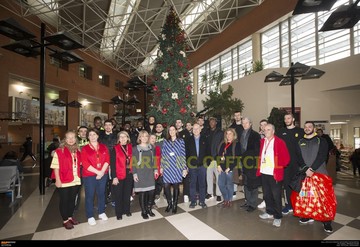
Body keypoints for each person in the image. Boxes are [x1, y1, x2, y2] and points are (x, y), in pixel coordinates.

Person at [297, 121, 333, 233]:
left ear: (314, 128)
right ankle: (308, 215)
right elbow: (297, 156)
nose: (307, 128)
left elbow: (322, 156)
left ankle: (326, 221)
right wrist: (305, 169)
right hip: (305, 175)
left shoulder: (321, 140)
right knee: (306, 196)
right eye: (305, 127)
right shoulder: (300, 141)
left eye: (310, 127)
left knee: (323, 198)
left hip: (319, 174)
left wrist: (312, 169)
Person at [257, 123, 290, 228]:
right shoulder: (262, 141)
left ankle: (278, 217)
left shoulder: (279, 142)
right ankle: (269, 212)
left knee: (276, 196)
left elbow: (286, 159)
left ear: (273, 131)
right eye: (265, 130)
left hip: (274, 173)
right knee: (266, 195)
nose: (266, 131)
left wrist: (277, 165)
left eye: (268, 129)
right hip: (264, 172)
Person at [50, 131, 81, 230]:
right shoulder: (59, 151)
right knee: (64, 200)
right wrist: (57, 180)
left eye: (73, 137)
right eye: (69, 138)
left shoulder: (78, 150)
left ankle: (70, 217)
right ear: (65, 139)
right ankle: (65, 220)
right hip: (64, 180)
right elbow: (55, 167)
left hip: (75, 179)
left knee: (72, 200)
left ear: (75, 139)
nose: (71, 140)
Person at [276, 112, 304, 215]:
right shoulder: (280, 132)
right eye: (285, 119)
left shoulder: (300, 132)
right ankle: (288, 205)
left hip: (298, 164)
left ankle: (298, 205)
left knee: (298, 186)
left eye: (288, 118)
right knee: (287, 185)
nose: (286, 120)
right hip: (285, 165)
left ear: (293, 119)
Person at [81, 128, 110, 226]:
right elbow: (85, 163)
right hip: (89, 175)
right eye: (90, 135)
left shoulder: (103, 147)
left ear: (98, 136)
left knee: (101, 194)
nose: (92, 136)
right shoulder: (85, 148)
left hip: (103, 174)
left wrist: (101, 172)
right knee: (90, 196)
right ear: (88, 137)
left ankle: (101, 212)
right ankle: (90, 216)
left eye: (94, 134)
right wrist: (98, 172)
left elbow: (107, 160)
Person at [161, 125, 187, 214]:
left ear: (176, 131)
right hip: (167, 166)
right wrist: (161, 167)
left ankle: (175, 204)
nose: (171, 131)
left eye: (173, 130)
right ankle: (169, 203)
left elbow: (182, 155)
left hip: (177, 166)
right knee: (166, 186)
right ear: (168, 132)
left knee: (176, 186)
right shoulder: (165, 142)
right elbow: (163, 155)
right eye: (170, 130)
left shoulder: (181, 141)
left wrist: (184, 168)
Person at [132, 130, 158, 219]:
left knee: (151, 192)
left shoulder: (151, 147)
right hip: (140, 172)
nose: (144, 138)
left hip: (150, 172)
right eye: (142, 136)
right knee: (142, 192)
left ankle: (149, 208)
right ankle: (143, 211)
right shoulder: (135, 148)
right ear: (139, 137)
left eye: (146, 136)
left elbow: (154, 160)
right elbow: (134, 162)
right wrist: (134, 174)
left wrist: (155, 170)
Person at [239, 117, 261, 212]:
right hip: (243, 162)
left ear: (250, 123)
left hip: (252, 162)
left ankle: (253, 204)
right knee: (246, 183)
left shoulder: (255, 135)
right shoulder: (241, 134)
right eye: (243, 123)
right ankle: (247, 201)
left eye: (246, 123)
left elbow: (257, 150)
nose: (244, 125)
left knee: (253, 184)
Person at [216, 128, 241, 208]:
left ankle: (229, 200)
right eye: (227, 133)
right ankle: (226, 199)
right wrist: (218, 165)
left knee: (229, 185)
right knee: (220, 184)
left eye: (230, 134)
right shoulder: (222, 143)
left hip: (230, 168)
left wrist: (229, 168)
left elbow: (237, 158)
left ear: (234, 135)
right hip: (222, 168)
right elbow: (218, 155)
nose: (228, 135)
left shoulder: (236, 144)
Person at [186, 123, 209, 209]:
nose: (195, 130)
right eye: (194, 129)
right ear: (192, 130)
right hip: (192, 166)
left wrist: (207, 163)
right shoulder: (189, 140)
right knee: (192, 184)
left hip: (202, 166)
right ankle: (193, 202)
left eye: (197, 128)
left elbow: (208, 152)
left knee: (202, 184)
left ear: (200, 129)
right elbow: (186, 153)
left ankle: (202, 201)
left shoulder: (205, 139)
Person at [112, 131, 133, 220]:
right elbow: (112, 164)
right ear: (118, 139)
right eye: (121, 137)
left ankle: (127, 210)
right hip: (119, 174)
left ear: (128, 138)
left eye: (125, 137)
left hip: (129, 173)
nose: (123, 138)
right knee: (118, 194)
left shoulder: (131, 147)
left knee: (127, 193)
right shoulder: (115, 148)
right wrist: (114, 177)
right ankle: (119, 213)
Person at [204, 117, 223, 202]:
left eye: (213, 121)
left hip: (217, 158)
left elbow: (222, 145)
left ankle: (219, 194)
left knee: (218, 177)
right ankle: (210, 193)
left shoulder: (220, 132)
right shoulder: (206, 132)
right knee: (209, 176)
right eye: (210, 121)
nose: (211, 123)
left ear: (216, 122)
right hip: (208, 159)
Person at [257, 119, 268, 209]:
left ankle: (269, 201)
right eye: (261, 125)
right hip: (261, 163)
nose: (263, 126)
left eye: (265, 124)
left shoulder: (272, 136)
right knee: (264, 184)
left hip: (270, 163)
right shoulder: (259, 136)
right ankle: (265, 200)